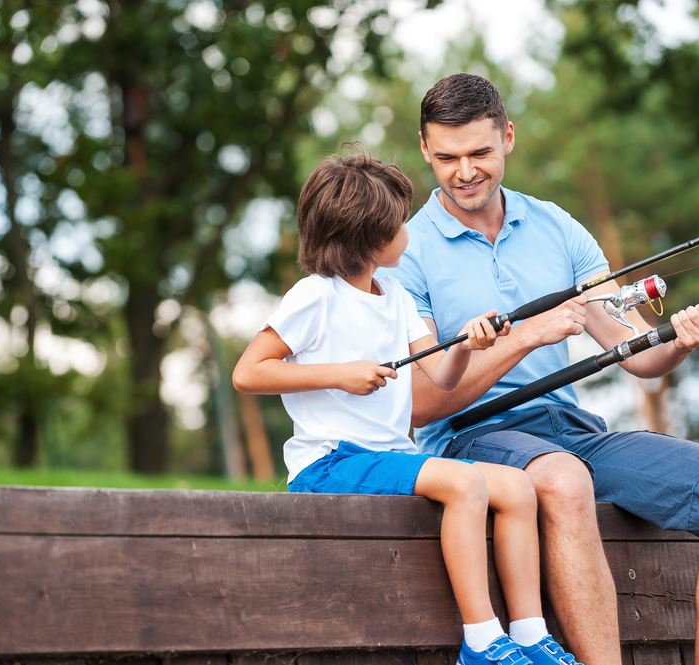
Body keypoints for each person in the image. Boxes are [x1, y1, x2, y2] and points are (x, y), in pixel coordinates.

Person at [380, 74, 699, 665]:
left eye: (479, 153)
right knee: (566, 478)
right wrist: (527, 339)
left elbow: (634, 352)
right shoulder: (404, 250)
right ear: (424, 149)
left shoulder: (558, 227)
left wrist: (679, 339)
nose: (464, 171)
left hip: (572, 428)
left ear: (508, 138)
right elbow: (420, 404)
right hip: (473, 436)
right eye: (447, 157)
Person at [233, 151, 584, 665]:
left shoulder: (395, 295)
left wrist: (466, 344)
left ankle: (530, 634)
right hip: (331, 463)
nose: (409, 232)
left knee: (516, 488)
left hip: (391, 457)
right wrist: (340, 373)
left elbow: (438, 374)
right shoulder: (315, 296)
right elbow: (249, 371)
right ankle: (483, 641)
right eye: (399, 224)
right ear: (369, 238)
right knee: (465, 482)